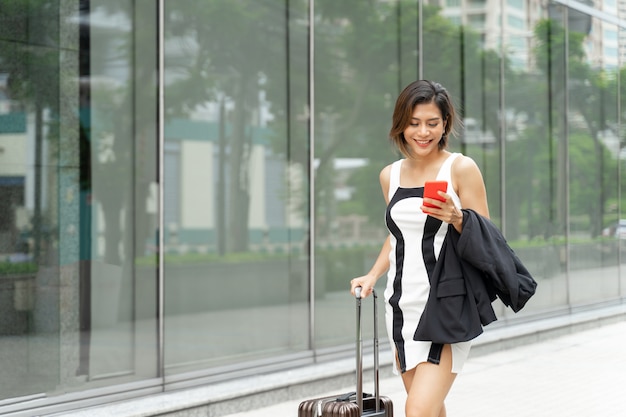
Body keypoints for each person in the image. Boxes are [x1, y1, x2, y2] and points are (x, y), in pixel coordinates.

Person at [350, 80, 490, 417]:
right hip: (400, 307)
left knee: (418, 411)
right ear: (401, 125)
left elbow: (488, 236)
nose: (423, 132)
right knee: (431, 410)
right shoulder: (391, 175)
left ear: (445, 124)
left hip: (447, 305)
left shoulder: (460, 168)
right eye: (414, 123)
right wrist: (372, 274)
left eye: (432, 123)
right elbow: (398, 235)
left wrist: (457, 218)